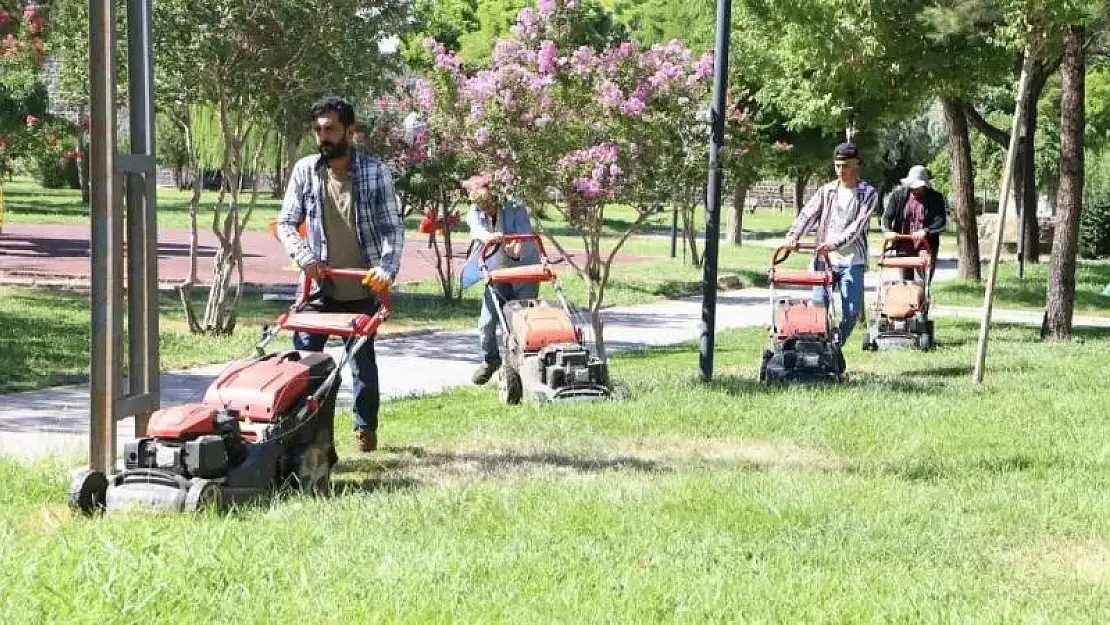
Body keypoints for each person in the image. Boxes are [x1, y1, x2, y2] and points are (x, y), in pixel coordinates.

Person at [276, 95, 404, 454]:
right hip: (318, 288)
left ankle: (365, 429)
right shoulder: (305, 171)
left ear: (350, 131)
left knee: (362, 363)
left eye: (331, 129)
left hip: (362, 286)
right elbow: (287, 222)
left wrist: (386, 268)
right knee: (304, 366)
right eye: (318, 130)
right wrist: (305, 257)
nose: (323, 137)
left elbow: (392, 229)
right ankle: (307, 435)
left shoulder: (374, 171)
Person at [785, 141, 879, 345]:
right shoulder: (826, 191)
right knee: (819, 306)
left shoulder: (868, 194)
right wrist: (794, 236)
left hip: (852, 260)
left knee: (852, 311)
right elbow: (808, 214)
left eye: (845, 165)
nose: (841, 170)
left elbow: (857, 227)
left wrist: (834, 244)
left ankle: (835, 345)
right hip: (824, 260)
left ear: (857, 165)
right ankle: (818, 347)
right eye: (837, 165)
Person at [457, 173, 540, 385]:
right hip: (496, 272)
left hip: (524, 271)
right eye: (477, 202)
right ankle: (490, 360)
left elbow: (524, 234)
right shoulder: (473, 213)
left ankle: (524, 366)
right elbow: (478, 231)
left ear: (494, 195)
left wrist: (516, 249)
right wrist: (490, 237)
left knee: (522, 321)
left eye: (486, 201)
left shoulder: (515, 207)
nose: (484, 207)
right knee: (487, 323)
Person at [881, 165, 947, 282]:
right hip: (903, 245)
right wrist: (887, 231)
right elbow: (887, 217)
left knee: (922, 282)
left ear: (925, 185)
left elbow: (940, 221)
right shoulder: (898, 196)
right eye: (912, 187)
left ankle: (922, 298)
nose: (914, 190)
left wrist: (926, 231)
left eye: (918, 188)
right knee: (905, 283)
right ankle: (906, 299)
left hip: (925, 246)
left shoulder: (936, 198)